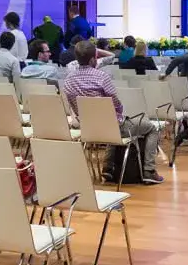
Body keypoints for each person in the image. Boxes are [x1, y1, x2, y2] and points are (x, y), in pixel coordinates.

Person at [60, 40, 165, 183]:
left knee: (109, 124)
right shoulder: (102, 77)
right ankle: (149, 170)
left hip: (88, 129)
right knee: (151, 128)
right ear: (93, 59)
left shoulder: (68, 80)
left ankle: (108, 168)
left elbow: (73, 106)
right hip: (111, 126)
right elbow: (116, 103)